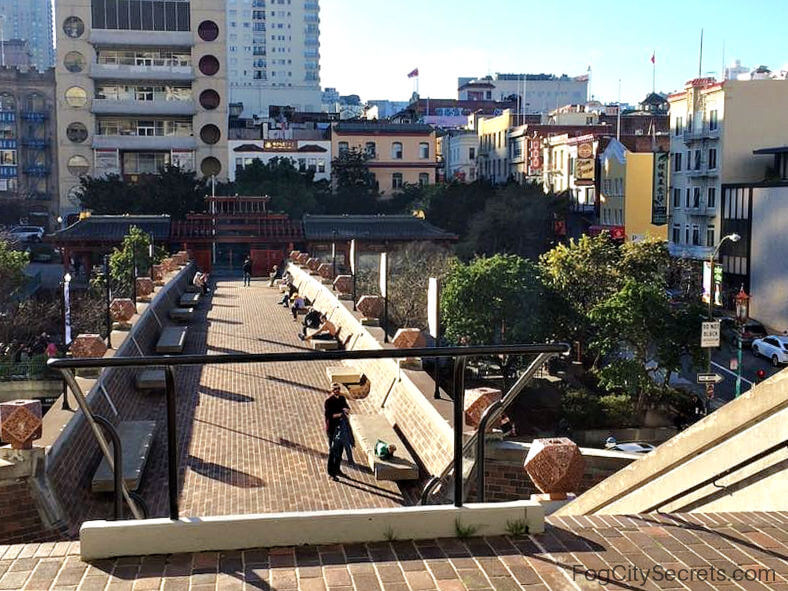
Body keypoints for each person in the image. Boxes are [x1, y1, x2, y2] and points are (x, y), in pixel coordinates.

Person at [324, 383, 350, 480]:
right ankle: (331, 473)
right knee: (333, 450)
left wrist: (346, 410)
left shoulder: (342, 399)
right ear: (331, 390)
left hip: (341, 428)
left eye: (338, 389)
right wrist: (340, 414)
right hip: (332, 429)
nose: (337, 391)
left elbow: (346, 407)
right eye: (335, 389)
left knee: (340, 449)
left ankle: (337, 468)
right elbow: (329, 416)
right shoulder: (328, 402)